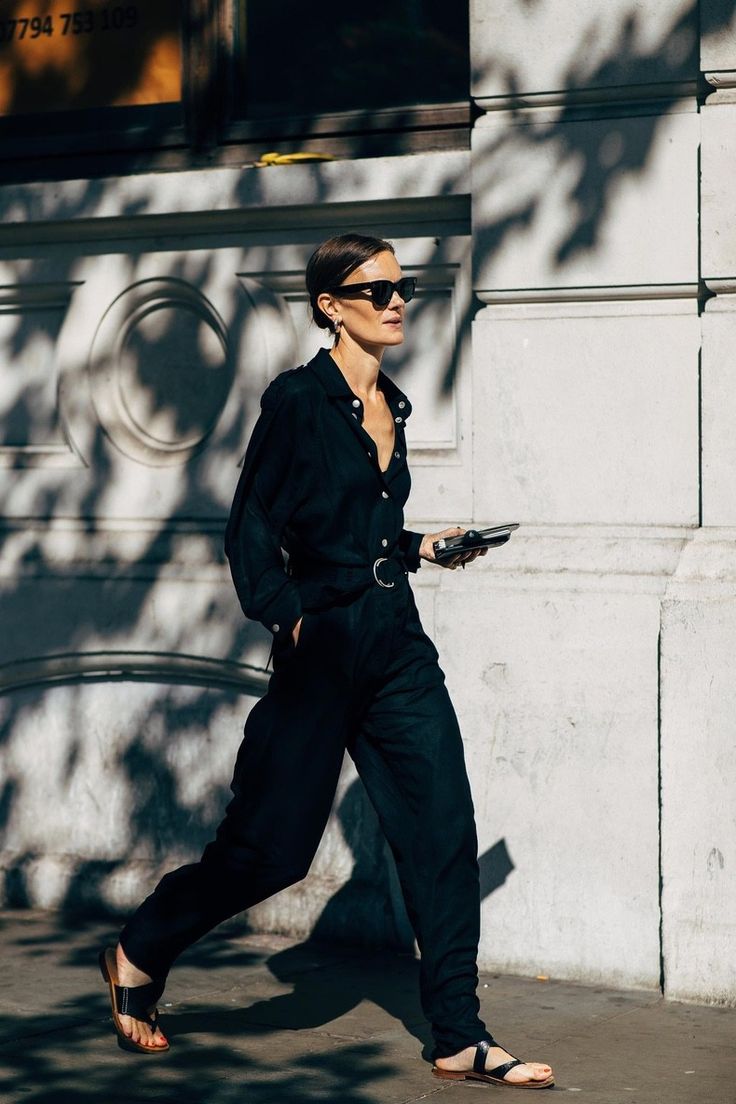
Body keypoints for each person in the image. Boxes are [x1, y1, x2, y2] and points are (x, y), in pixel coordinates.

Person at [99, 234, 554, 1090]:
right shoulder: (298, 402)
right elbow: (251, 535)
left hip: (396, 642)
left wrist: (424, 546)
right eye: (374, 289)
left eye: (401, 286)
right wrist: (291, 619)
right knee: (270, 853)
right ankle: (138, 949)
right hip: (323, 648)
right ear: (329, 306)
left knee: (443, 834)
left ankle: (458, 1035)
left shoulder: (395, 404)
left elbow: (362, 531)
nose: (395, 302)